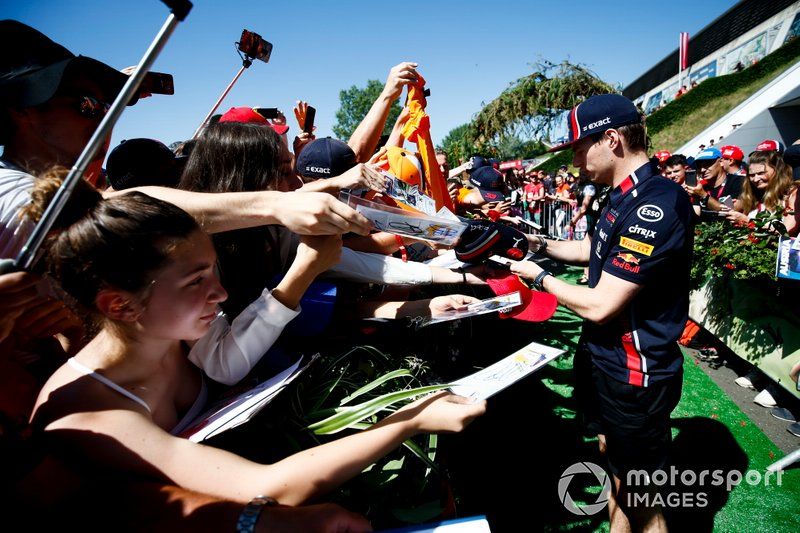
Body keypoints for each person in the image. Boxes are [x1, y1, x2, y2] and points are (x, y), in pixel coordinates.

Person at [27, 176, 486, 507]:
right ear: (120, 305)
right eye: (195, 281)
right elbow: (268, 487)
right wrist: (408, 419)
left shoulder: (164, 328)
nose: (221, 294)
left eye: (214, 270)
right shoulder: (88, 410)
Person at [509, 94, 693, 533]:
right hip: (603, 360)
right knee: (616, 467)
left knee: (645, 502)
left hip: (635, 374)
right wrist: (535, 243)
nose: (573, 160)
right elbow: (594, 249)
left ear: (611, 139)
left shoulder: (659, 202)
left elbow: (601, 304)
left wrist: (537, 277)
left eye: (577, 146)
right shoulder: (621, 194)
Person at [725, 150, 799, 236]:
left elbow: (786, 232)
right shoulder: (751, 195)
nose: (756, 179)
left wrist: (748, 221)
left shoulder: (792, 194)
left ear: (777, 170)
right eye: (752, 175)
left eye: (761, 173)